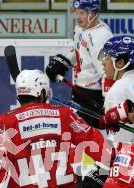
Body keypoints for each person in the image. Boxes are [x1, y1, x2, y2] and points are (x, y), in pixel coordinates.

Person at [46, 0, 112, 128]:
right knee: (74, 131)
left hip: (93, 97)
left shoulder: (101, 36)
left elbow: (107, 72)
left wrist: (108, 103)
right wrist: (63, 62)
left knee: (90, 136)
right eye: (77, 13)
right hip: (79, 91)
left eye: (81, 13)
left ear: (92, 14)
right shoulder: (81, 28)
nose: (78, 17)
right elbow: (78, 50)